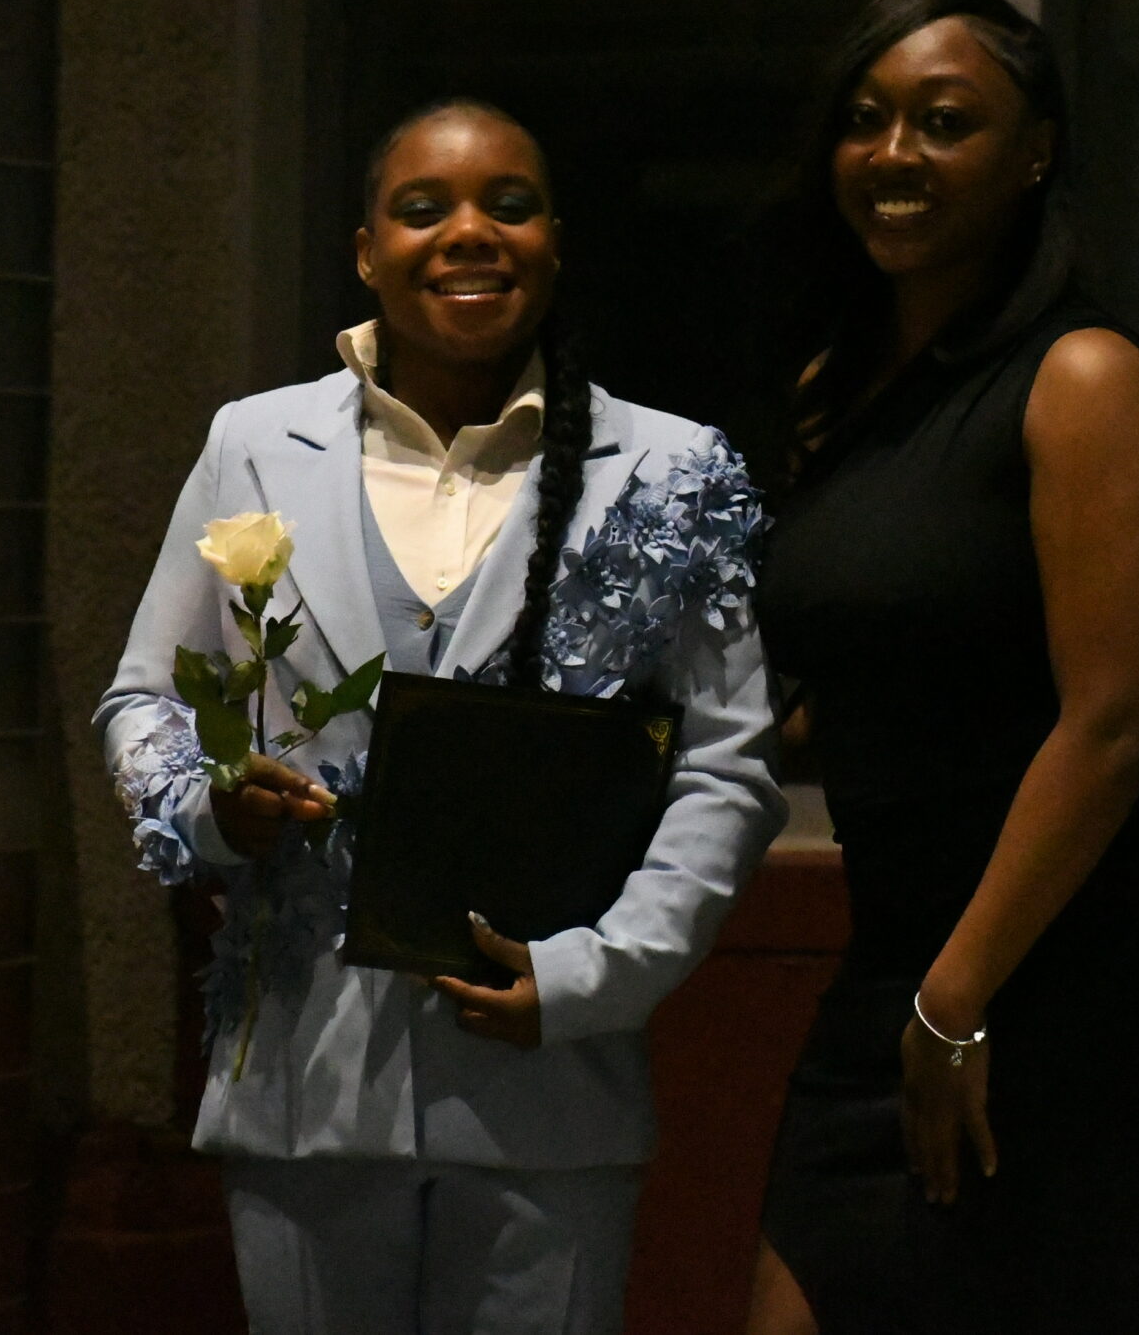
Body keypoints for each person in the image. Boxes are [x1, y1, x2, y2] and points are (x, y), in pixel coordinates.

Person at [98, 98, 784, 1335]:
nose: (469, 233)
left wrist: (591, 974)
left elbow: (727, 771)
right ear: (367, 250)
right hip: (304, 1086)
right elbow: (145, 698)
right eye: (425, 210)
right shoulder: (254, 444)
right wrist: (208, 806)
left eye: (507, 206)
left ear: (555, 240)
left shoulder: (673, 471)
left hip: (549, 1089)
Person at [747, 0, 1139, 1334]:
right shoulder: (838, 388)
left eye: (945, 121)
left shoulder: (1080, 377)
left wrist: (958, 993)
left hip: (1057, 960)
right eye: (867, 119)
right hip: (899, 943)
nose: (895, 153)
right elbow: (883, 670)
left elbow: (1114, 721)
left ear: (1034, 153)